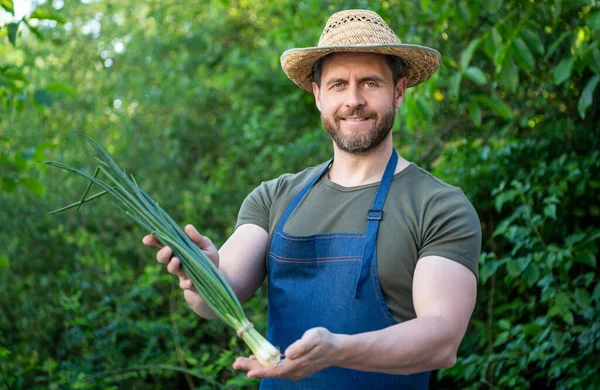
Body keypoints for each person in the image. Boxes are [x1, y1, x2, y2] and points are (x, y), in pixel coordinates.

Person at [143, 9, 480, 389]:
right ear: (318, 95)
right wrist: (201, 274)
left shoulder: (437, 205)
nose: (353, 100)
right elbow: (216, 298)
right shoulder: (274, 197)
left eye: (370, 83)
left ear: (398, 91)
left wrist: (338, 350)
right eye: (338, 85)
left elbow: (442, 339)